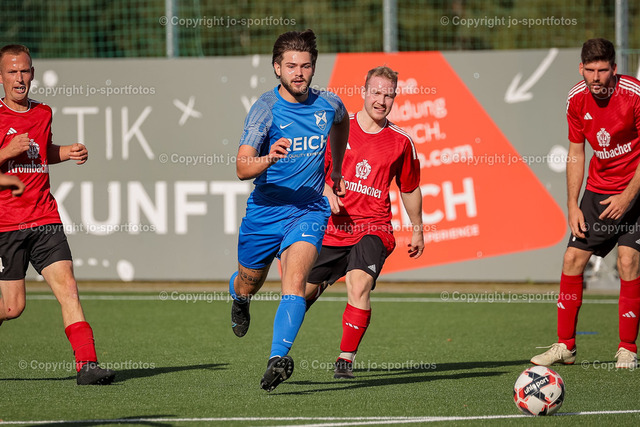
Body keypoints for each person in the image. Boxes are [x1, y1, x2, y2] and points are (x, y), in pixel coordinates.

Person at [229, 29, 349, 392]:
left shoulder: (328, 104)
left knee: (295, 282)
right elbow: (242, 168)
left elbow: (342, 122)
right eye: (291, 66)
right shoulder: (265, 109)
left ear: (313, 68)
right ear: (277, 68)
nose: (299, 73)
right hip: (265, 213)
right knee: (250, 281)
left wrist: (337, 170)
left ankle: (276, 359)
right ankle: (239, 298)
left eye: (306, 66)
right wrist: (270, 157)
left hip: (309, 210)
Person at [0, 44, 115, 385]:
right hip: (7, 224)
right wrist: (6, 151)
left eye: (24, 71)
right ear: (1, 77)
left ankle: (87, 365)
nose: (19, 78)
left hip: (45, 219)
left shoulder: (43, 112)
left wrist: (66, 151)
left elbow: (39, 152)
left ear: (32, 73)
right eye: (12, 72)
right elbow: (13, 153)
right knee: (12, 308)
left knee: (68, 288)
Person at [305, 65, 424, 379]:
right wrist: (326, 190)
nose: (381, 101)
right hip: (332, 229)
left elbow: (409, 187)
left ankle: (345, 359)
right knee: (298, 294)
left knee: (359, 284)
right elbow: (310, 171)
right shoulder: (336, 128)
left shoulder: (401, 141)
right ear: (363, 92)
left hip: (374, 228)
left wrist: (418, 229)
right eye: (376, 93)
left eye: (389, 95)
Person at [531, 38, 640, 369]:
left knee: (628, 261)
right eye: (590, 70)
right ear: (581, 68)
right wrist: (572, 204)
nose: (596, 77)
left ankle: (627, 349)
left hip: (636, 189)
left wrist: (627, 197)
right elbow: (576, 152)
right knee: (572, 258)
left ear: (614, 69)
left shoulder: (634, 95)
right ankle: (565, 346)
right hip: (598, 190)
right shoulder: (576, 99)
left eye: (602, 70)